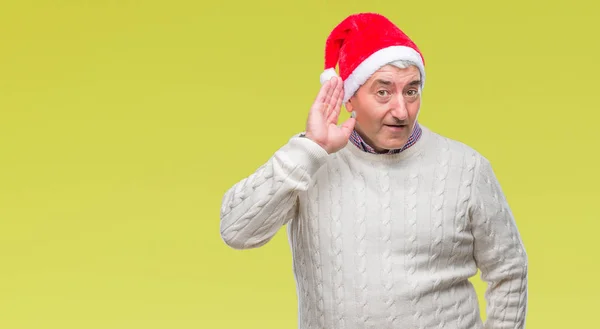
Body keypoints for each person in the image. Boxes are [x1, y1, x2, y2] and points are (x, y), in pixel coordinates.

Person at [219, 12, 528, 329]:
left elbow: (509, 268)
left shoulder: (467, 168)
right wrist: (310, 148)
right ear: (349, 98)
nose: (401, 110)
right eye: (383, 92)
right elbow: (237, 231)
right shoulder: (309, 163)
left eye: (411, 91)